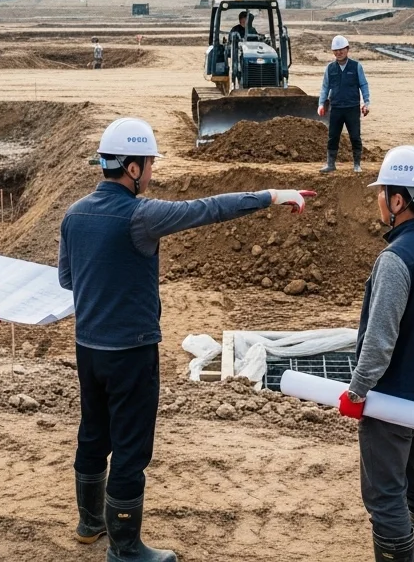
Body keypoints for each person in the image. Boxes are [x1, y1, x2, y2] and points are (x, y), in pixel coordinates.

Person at [59, 117, 315, 562]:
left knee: (93, 433)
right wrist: (273, 195)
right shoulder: (141, 215)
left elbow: (67, 278)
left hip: (88, 349)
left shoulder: (74, 214)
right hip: (132, 351)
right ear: (133, 168)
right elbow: (209, 208)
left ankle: (89, 523)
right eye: (150, 163)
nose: (153, 171)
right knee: (131, 448)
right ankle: (124, 548)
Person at [336, 146, 414, 562]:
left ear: (398, 200)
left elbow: (379, 342)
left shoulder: (395, 260)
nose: (377, 199)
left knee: (385, 496)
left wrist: (356, 393)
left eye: (382, 192)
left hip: (392, 403)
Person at [317, 35, 370, 174]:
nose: (338, 53)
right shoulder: (330, 68)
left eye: (341, 50)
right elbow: (325, 87)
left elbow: (363, 85)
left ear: (347, 49)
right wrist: (321, 104)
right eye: (336, 50)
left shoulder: (356, 66)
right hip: (336, 108)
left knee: (355, 136)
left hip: (352, 108)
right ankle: (330, 164)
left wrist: (366, 102)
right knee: (333, 136)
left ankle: (357, 164)